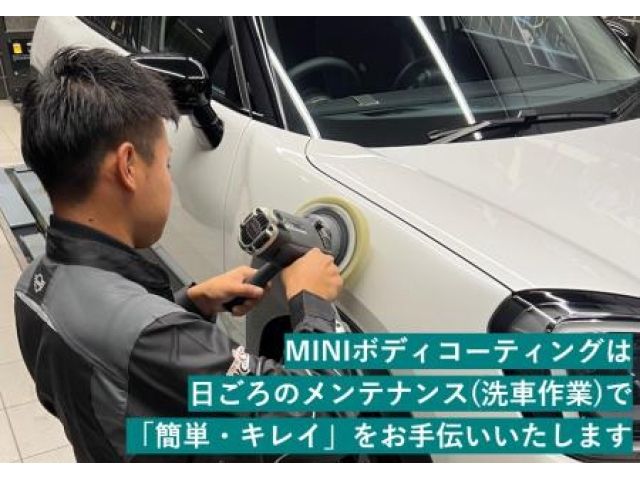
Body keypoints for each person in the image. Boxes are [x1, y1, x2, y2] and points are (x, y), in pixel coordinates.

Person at [14, 47, 346, 462]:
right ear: (129, 166)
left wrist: (190, 303)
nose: (169, 182)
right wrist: (314, 306)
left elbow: (100, 370)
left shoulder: (30, 287)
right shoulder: (157, 336)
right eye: (166, 166)